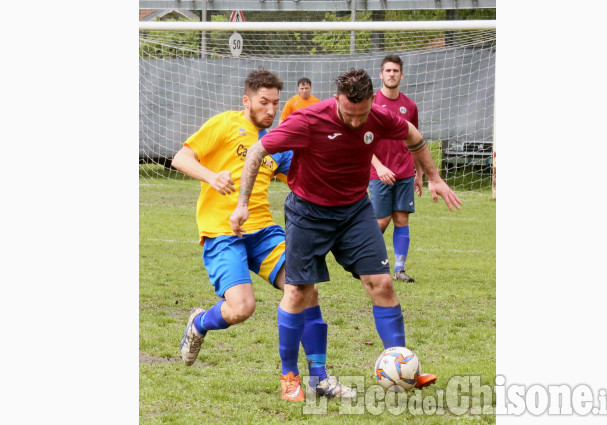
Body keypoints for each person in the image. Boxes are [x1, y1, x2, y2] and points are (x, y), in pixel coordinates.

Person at [230, 68, 462, 402]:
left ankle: (402, 365)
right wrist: (242, 205)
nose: (355, 123)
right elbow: (257, 151)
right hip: (308, 212)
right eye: (348, 114)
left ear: (371, 101)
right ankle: (291, 376)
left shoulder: (378, 117)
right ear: (337, 99)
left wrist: (434, 176)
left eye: (362, 114)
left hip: (354, 211)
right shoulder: (308, 120)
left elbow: (413, 136)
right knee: (298, 291)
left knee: (381, 284)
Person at [171, 68, 354, 401]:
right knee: (242, 308)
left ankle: (319, 378)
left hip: (264, 232)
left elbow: (302, 178)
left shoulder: (277, 142)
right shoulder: (225, 124)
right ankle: (199, 323)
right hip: (223, 233)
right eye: (263, 102)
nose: (271, 110)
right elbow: (181, 157)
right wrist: (211, 177)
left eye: (275, 104)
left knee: (305, 289)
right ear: (247, 100)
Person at [369, 54, 423, 283]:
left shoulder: (409, 106)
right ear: (381, 75)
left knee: (402, 218)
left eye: (395, 71)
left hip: (404, 172)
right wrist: (379, 167)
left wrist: (418, 173)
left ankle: (399, 269)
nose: (392, 74)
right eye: (388, 71)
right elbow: (362, 139)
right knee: (381, 221)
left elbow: (415, 141)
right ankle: (368, 262)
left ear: (402, 75)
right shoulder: (370, 103)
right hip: (379, 172)